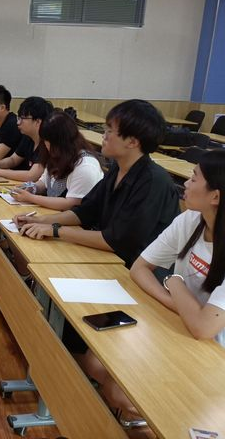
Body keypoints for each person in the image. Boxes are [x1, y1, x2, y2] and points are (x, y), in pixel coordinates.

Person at [80, 150, 225, 417]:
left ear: (215, 197)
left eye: (194, 178)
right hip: (178, 323)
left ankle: (176, 420)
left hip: (213, 351)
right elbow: (140, 268)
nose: (185, 183)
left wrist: (174, 281)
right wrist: (175, 303)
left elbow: (204, 328)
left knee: (118, 391)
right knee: (94, 363)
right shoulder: (191, 220)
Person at [16, 99, 179, 268]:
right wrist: (42, 220)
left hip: (138, 270)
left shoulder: (153, 182)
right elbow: (85, 212)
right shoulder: (117, 170)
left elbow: (116, 240)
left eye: (110, 131)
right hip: (112, 258)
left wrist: (56, 230)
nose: (104, 136)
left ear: (132, 142)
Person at [12, 110, 104, 211]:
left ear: (61, 142)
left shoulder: (85, 166)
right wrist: (32, 188)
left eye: (48, 142)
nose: (46, 145)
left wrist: (31, 198)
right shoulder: (57, 155)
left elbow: (71, 204)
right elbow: (45, 182)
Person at [0, 96, 54, 182]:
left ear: (38, 122)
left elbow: (32, 176)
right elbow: (13, 160)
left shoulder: (47, 143)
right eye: (18, 118)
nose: (18, 122)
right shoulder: (28, 137)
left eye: (22, 118)